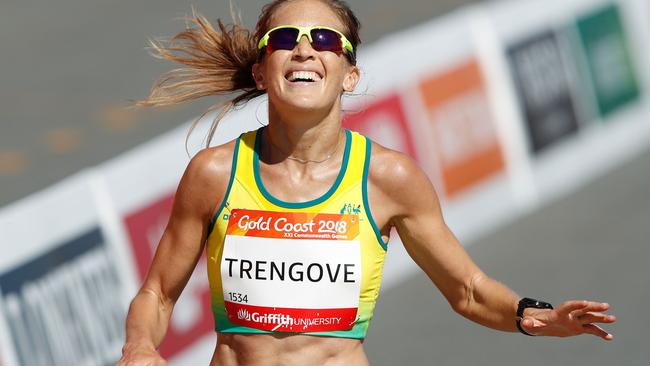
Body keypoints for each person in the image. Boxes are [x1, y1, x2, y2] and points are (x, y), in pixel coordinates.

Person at [116, 0, 616, 365]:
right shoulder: (213, 173)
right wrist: (139, 347)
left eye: (328, 41)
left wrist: (536, 315)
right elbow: (157, 295)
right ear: (263, 72)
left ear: (349, 74)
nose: (306, 51)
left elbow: (468, 289)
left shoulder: (389, 178)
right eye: (286, 40)